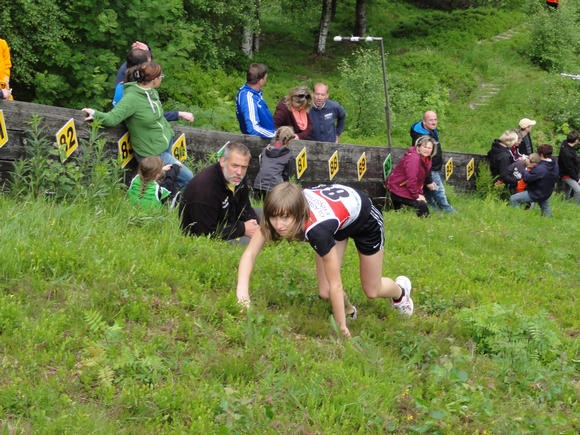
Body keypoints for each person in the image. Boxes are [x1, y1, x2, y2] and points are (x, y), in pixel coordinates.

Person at [236, 182, 414, 339]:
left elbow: (336, 284)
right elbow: (250, 254)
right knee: (325, 292)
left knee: (372, 290)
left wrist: (340, 327)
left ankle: (401, 293)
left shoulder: (317, 231)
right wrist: (242, 296)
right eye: (274, 217)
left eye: (285, 218)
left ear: (298, 214)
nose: (278, 224)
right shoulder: (277, 211)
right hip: (336, 218)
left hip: (365, 219)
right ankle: (349, 310)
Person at [82, 61, 194, 190]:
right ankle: (170, 201)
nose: (162, 78)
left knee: (167, 179)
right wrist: (96, 114)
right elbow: (112, 118)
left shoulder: (152, 93)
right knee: (187, 177)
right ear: (154, 79)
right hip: (152, 152)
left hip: (163, 145)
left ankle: (160, 203)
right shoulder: (131, 99)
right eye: (161, 76)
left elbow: (158, 116)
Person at [179, 142, 260, 241]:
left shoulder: (235, 177)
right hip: (210, 235)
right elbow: (205, 234)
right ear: (222, 161)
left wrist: (255, 224)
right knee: (256, 244)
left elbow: (245, 207)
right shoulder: (205, 189)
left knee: (271, 216)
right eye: (235, 166)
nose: (239, 172)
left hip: (231, 222)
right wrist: (243, 229)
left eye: (244, 167)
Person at [112, 47, 194, 123]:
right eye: (148, 64)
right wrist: (178, 114)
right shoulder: (137, 93)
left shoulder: (123, 83)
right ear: (142, 67)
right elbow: (152, 116)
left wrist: (148, 50)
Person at [409, 110, 456, 213]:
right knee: (438, 190)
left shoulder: (430, 130)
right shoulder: (421, 137)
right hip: (429, 168)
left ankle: (433, 209)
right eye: (431, 120)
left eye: (435, 119)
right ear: (424, 122)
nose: (434, 122)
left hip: (433, 166)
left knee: (428, 191)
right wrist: (429, 176)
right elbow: (422, 158)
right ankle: (447, 209)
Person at [386, 136, 437, 217]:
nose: (427, 149)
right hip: (397, 187)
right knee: (422, 205)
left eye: (429, 148)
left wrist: (423, 189)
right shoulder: (413, 159)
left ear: (432, 150)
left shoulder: (427, 159)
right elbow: (411, 180)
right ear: (419, 147)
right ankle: (425, 224)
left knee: (398, 213)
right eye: (424, 146)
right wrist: (416, 196)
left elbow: (424, 176)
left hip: (405, 187)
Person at [509, 144, 559, 216]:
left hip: (536, 193)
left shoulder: (541, 168)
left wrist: (526, 168)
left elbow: (526, 178)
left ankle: (517, 216)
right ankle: (548, 222)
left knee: (513, 199)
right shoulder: (554, 163)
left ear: (541, 154)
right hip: (547, 191)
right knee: (545, 209)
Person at [253, 126, 295, 199]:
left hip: (258, 185)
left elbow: (262, 166)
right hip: (275, 189)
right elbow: (287, 176)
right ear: (289, 140)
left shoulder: (265, 150)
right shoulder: (289, 155)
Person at [236, 63, 276, 139]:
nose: (266, 79)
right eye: (265, 78)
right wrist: (274, 135)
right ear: (260, 81)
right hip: (258, 144)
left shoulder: (254, 93)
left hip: (266, 138)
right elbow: (252, 128)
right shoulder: (248, 97)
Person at [558, 130, 579, 205]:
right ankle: (576, 206)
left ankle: (564, 204)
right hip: (566, 175)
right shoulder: (567, 153)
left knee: (567, 190)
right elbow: (569, 168)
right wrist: (577, 179)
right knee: (578, 190)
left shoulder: (565, 143)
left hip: (569, 173)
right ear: (576, 140)